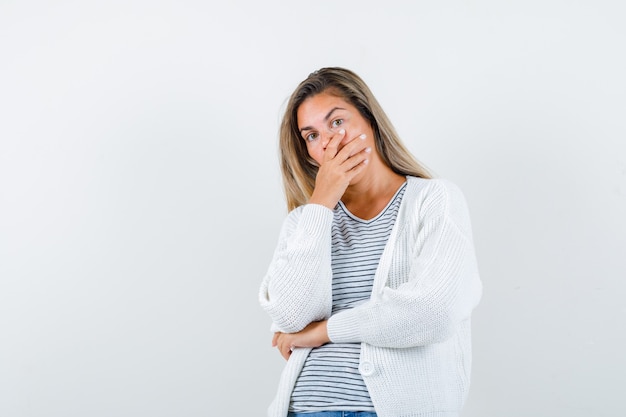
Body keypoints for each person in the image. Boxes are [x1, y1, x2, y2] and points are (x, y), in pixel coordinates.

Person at [259, 67, 482, 417]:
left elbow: (433, 312)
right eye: (312, 135)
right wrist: (321, 203)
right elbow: (290, 318)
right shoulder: (305, 222)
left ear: (370, 120)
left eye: (336, 122)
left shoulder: (435, 200)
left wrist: (324, 332)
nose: (330, 142)